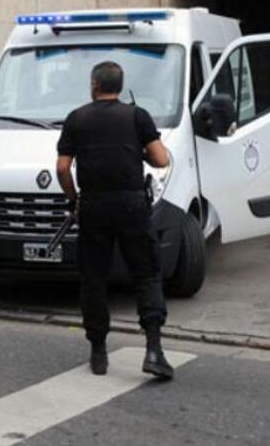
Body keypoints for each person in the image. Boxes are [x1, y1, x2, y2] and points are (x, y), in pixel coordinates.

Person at [56, 61, 174, 379]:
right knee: (146, 274)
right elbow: (161, 159)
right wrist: (140, 153)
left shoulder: (77, 118)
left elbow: (63, 168)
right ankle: (153, 349)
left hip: (94, 204)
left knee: (93, 278)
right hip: (132, 203)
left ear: (95, 84)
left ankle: (98, 351)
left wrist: (74, 200)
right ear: (119, 86)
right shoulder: (137, 116)